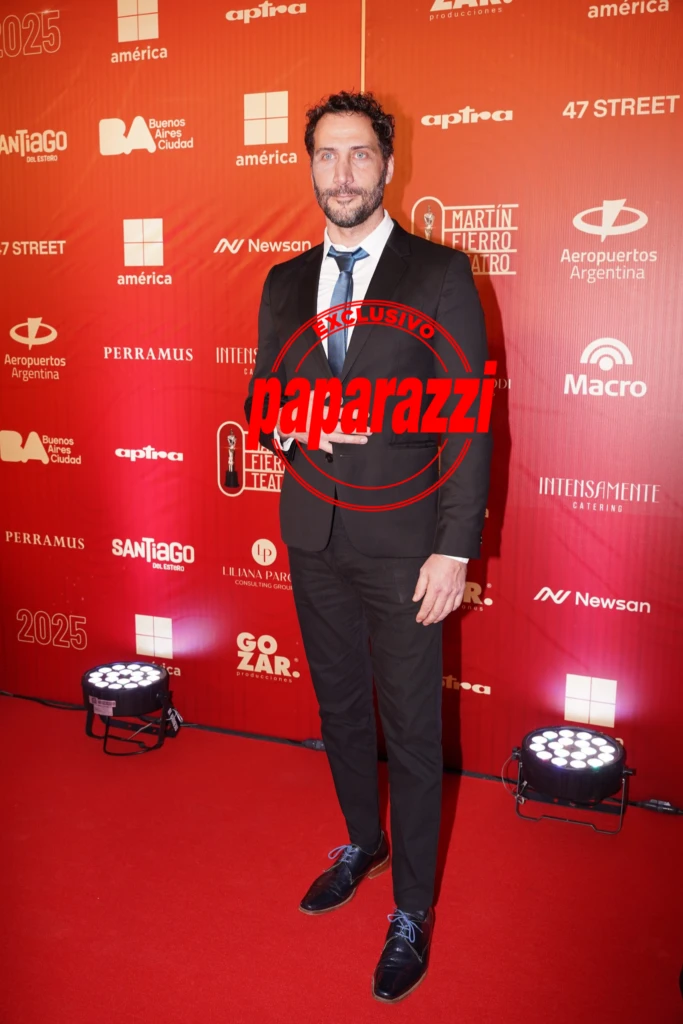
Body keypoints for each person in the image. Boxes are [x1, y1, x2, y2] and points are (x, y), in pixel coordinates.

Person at [245, 91, 491, 1003]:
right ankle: (362, 842)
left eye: (358, 155)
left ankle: (412, 909)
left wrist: (454, 550)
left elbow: (468, 422)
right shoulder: (282, 282)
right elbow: (260, 402)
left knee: (414, 730)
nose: (341, 173)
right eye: (325, 155)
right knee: (341, 708)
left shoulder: (439, 273)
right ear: (308, 165)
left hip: (407, 547)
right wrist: (293, 422)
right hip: (313, 533)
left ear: (387, 165)